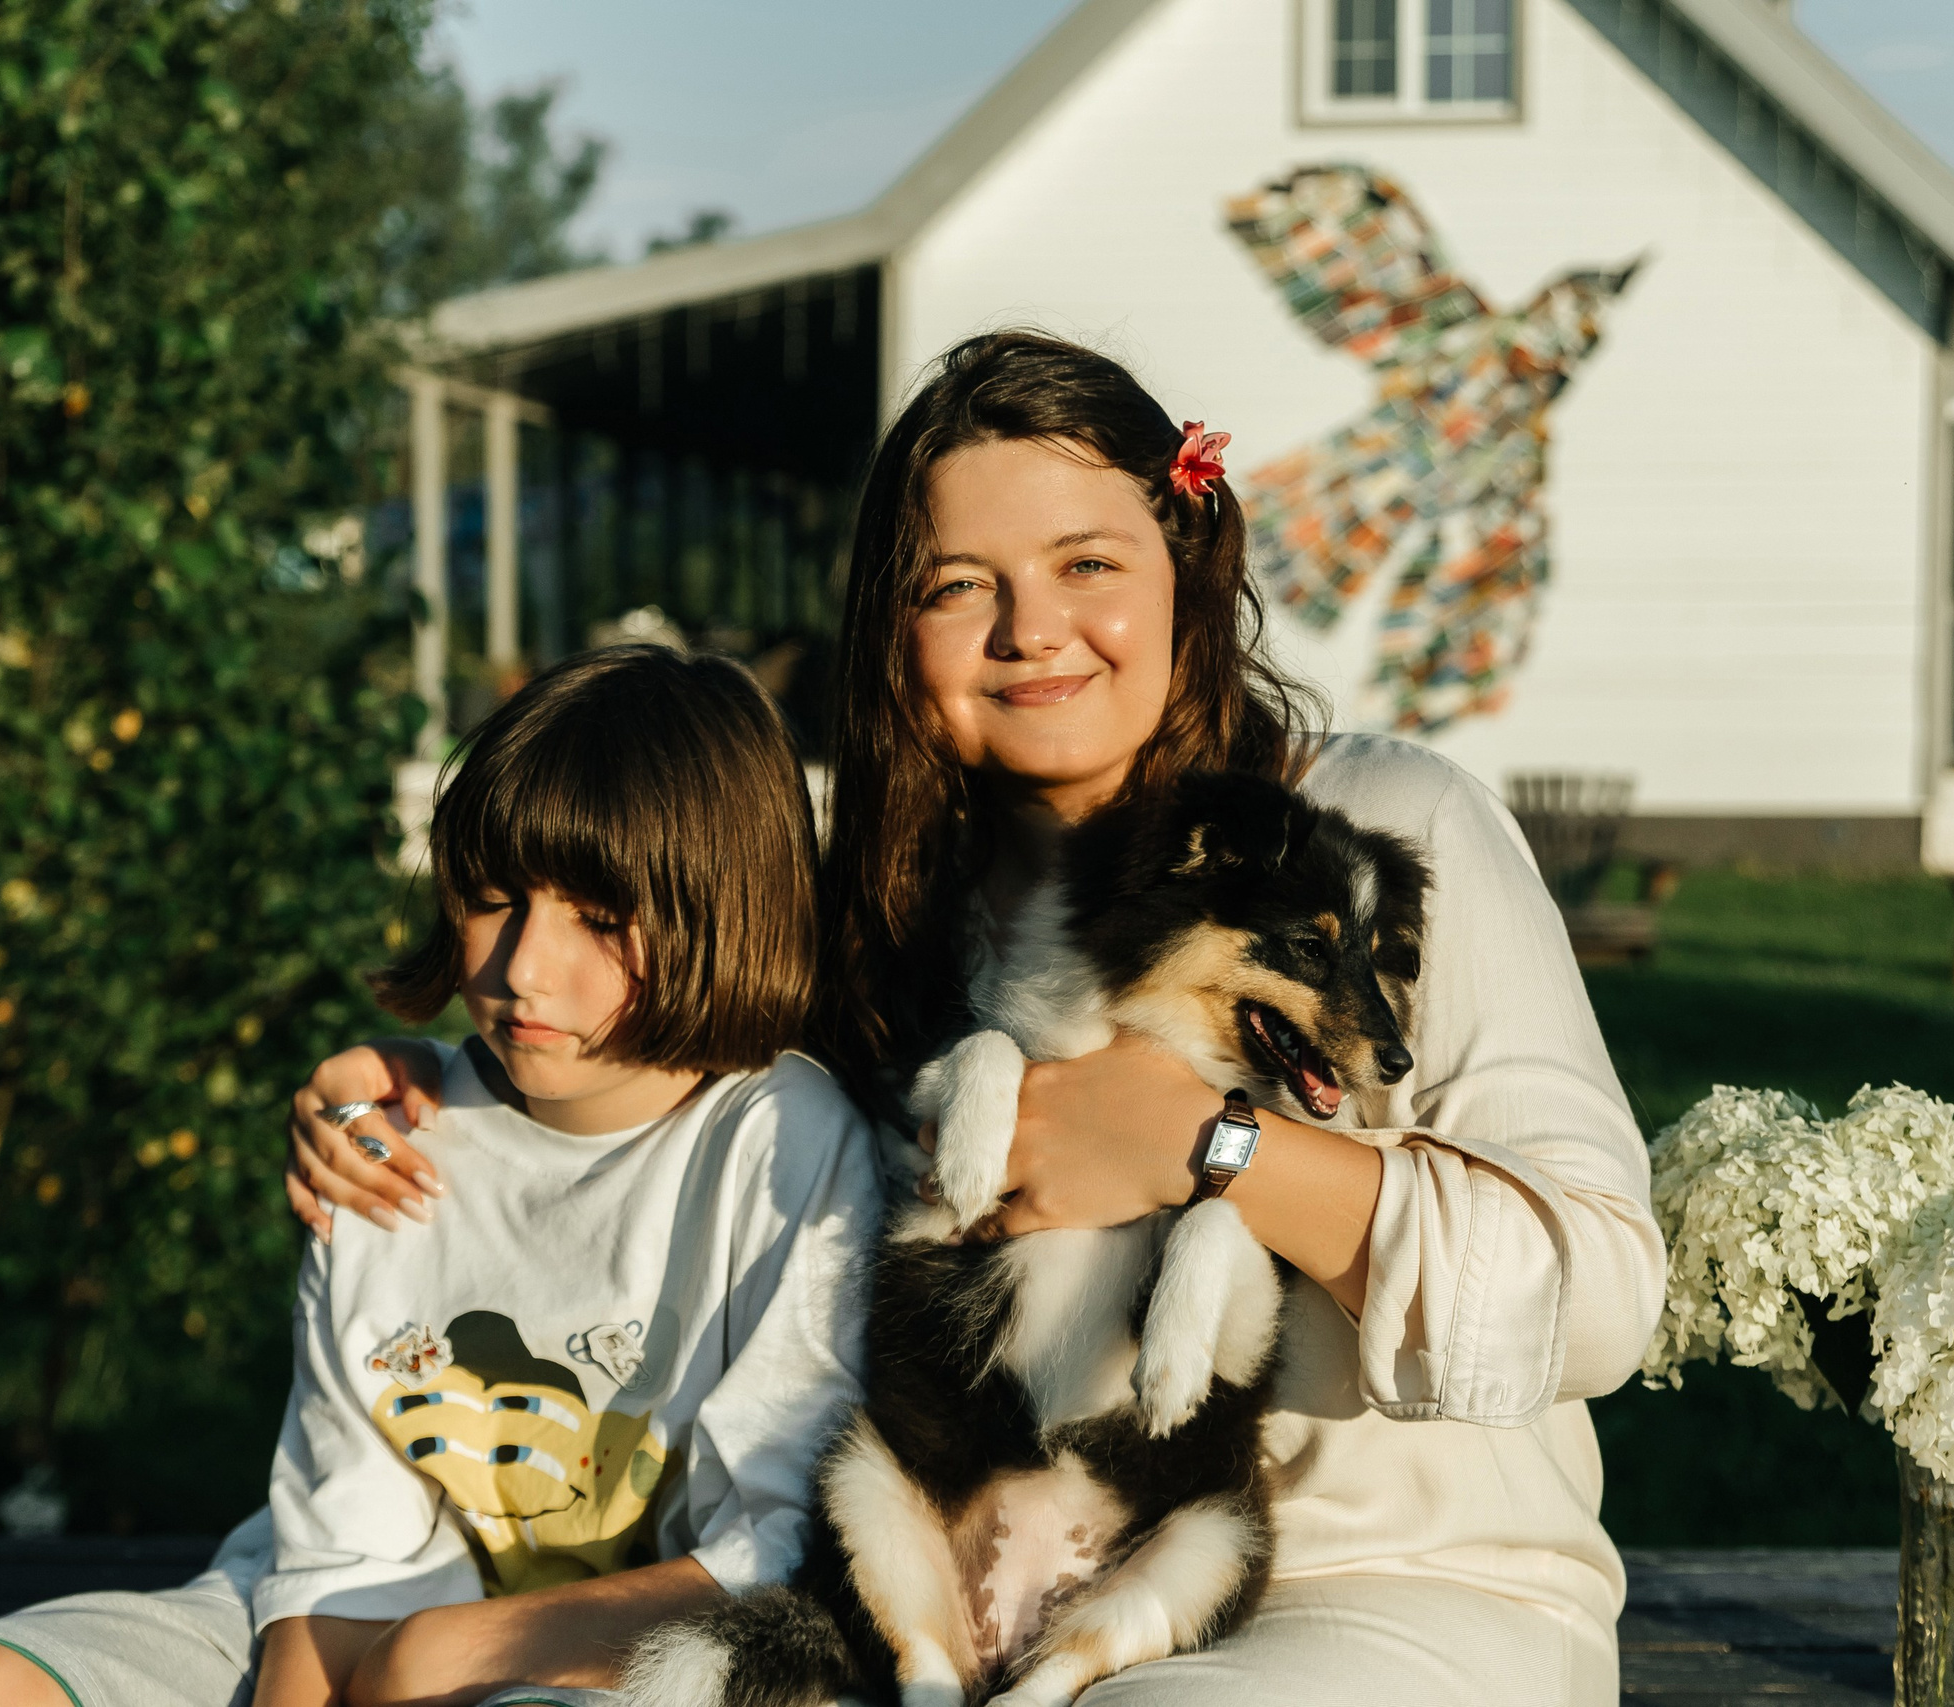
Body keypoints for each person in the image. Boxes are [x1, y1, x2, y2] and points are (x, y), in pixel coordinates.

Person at [295, 332, 1662, 1705]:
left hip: (1390, 1591)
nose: (1031, 629)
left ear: (1185, 571)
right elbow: (668, 1081)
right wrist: (431, 1086)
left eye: (1087, 564)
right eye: (960, 586)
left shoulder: (1381, 833)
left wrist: (1212, 1144)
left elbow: (1604, 1298)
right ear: (895, 630)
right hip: (960, 1594)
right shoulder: (889, 914)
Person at [0, 646, 880, 1707]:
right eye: (492, 899)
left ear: (729, 908)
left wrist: (445, 1656)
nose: (522, 968)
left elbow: (777, 1548)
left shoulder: (782, 1147)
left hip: (657, 1651)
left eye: (601, 919)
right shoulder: (383, 1134)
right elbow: (339, 1552)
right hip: (355, 1611)